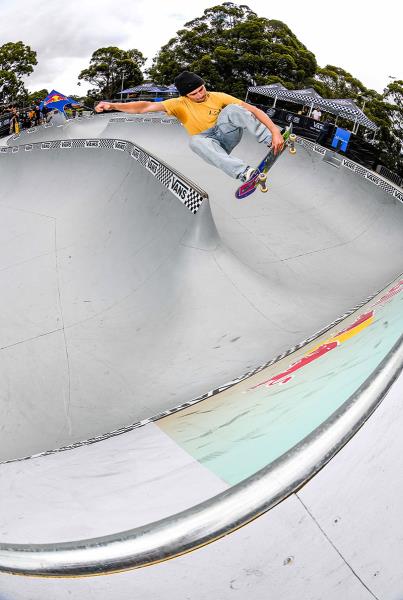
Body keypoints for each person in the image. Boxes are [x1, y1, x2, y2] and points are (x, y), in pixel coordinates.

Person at [95, 71, 284, 183]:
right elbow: (144, 106)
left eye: (201, 89)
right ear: (186, 96)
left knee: (234, 109)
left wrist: (275, 131)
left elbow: (254, 110)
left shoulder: (218, 96)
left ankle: (269, 140)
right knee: (194, 141)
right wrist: (113, 105)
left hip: (227, 134)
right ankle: (245, 173)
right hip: (209, 144)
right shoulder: (178, 104)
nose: (200, 95)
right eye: (194, 94)